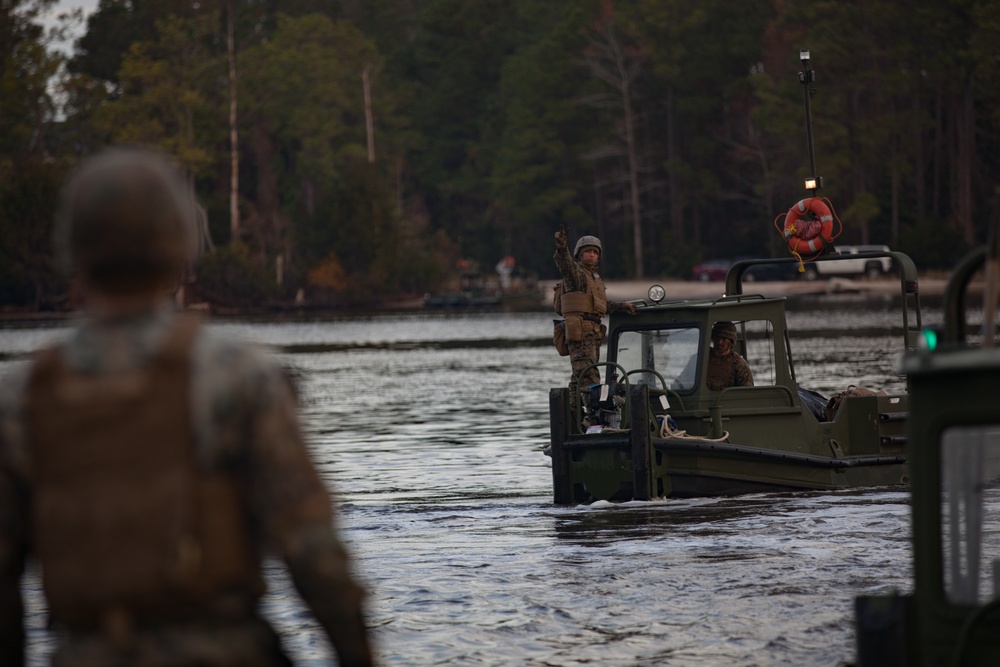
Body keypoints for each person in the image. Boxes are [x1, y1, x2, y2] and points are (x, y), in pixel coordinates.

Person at [0, 147, 374, 667]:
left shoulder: (19, 399)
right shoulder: (239, 376)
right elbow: (314, 556)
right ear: (177, 240)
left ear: (73, 249)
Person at [553, 228, 636, 410]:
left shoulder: (595, 279)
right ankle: (594, 420)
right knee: (589, 377)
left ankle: (575, 418)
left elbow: (601, 306)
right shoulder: (576, 276)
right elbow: (566, 265)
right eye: (587, 252)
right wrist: (562, 248)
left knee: (578, 379)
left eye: (594, 252)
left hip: (592, 334)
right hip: (580, 334)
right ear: (579, 255)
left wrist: (622, 306)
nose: (591, 255)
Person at [706, 320, 754, 390]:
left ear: (731, 340)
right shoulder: (703, 358)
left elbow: (748, 393)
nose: (719, 342)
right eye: (717, 338)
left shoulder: (739, 365)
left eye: (724, 339)